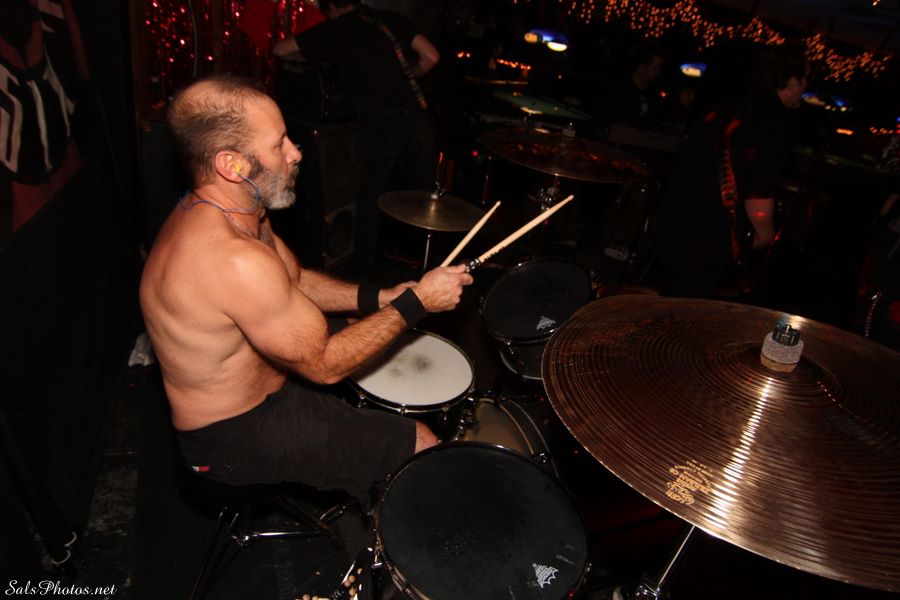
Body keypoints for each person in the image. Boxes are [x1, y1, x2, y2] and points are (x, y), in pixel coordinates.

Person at [139, 75, 472, 499]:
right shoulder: (232, 258)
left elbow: (294, 280)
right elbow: (325, 365)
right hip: (234, 434)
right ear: (232, 165)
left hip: (262, 390)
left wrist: (382, 298)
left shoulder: (233, 209)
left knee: (362, 325)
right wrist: (416, 302)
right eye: (278, 144)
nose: (295, 153)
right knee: (422, 441)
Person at [273, 0, 440, 272]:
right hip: (420, 118)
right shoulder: (391, 18)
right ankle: (420, 266)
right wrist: (410, 76)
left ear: (331, 6)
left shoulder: (340, 27)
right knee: (419, 199)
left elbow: (280, 49)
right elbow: (431, 56)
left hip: (382, 123)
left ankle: (364, 272)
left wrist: (312, 57)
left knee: (371, 198)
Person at [652, 43, 809, 298]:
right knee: (686, 310)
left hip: (675, 222)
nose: (804, 89)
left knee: (667, 301)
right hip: (709, 237)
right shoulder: (776, 122)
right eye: (804, 80)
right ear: (792, 82)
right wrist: (765, 234)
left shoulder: (727, 107)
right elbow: (759, 191)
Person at [594, 42, 664, 130]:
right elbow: (603, 119)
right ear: (641, 68)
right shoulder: (618, 89)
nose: (658, 72)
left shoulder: (654, 94)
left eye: (659, 68)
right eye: (655, 69)